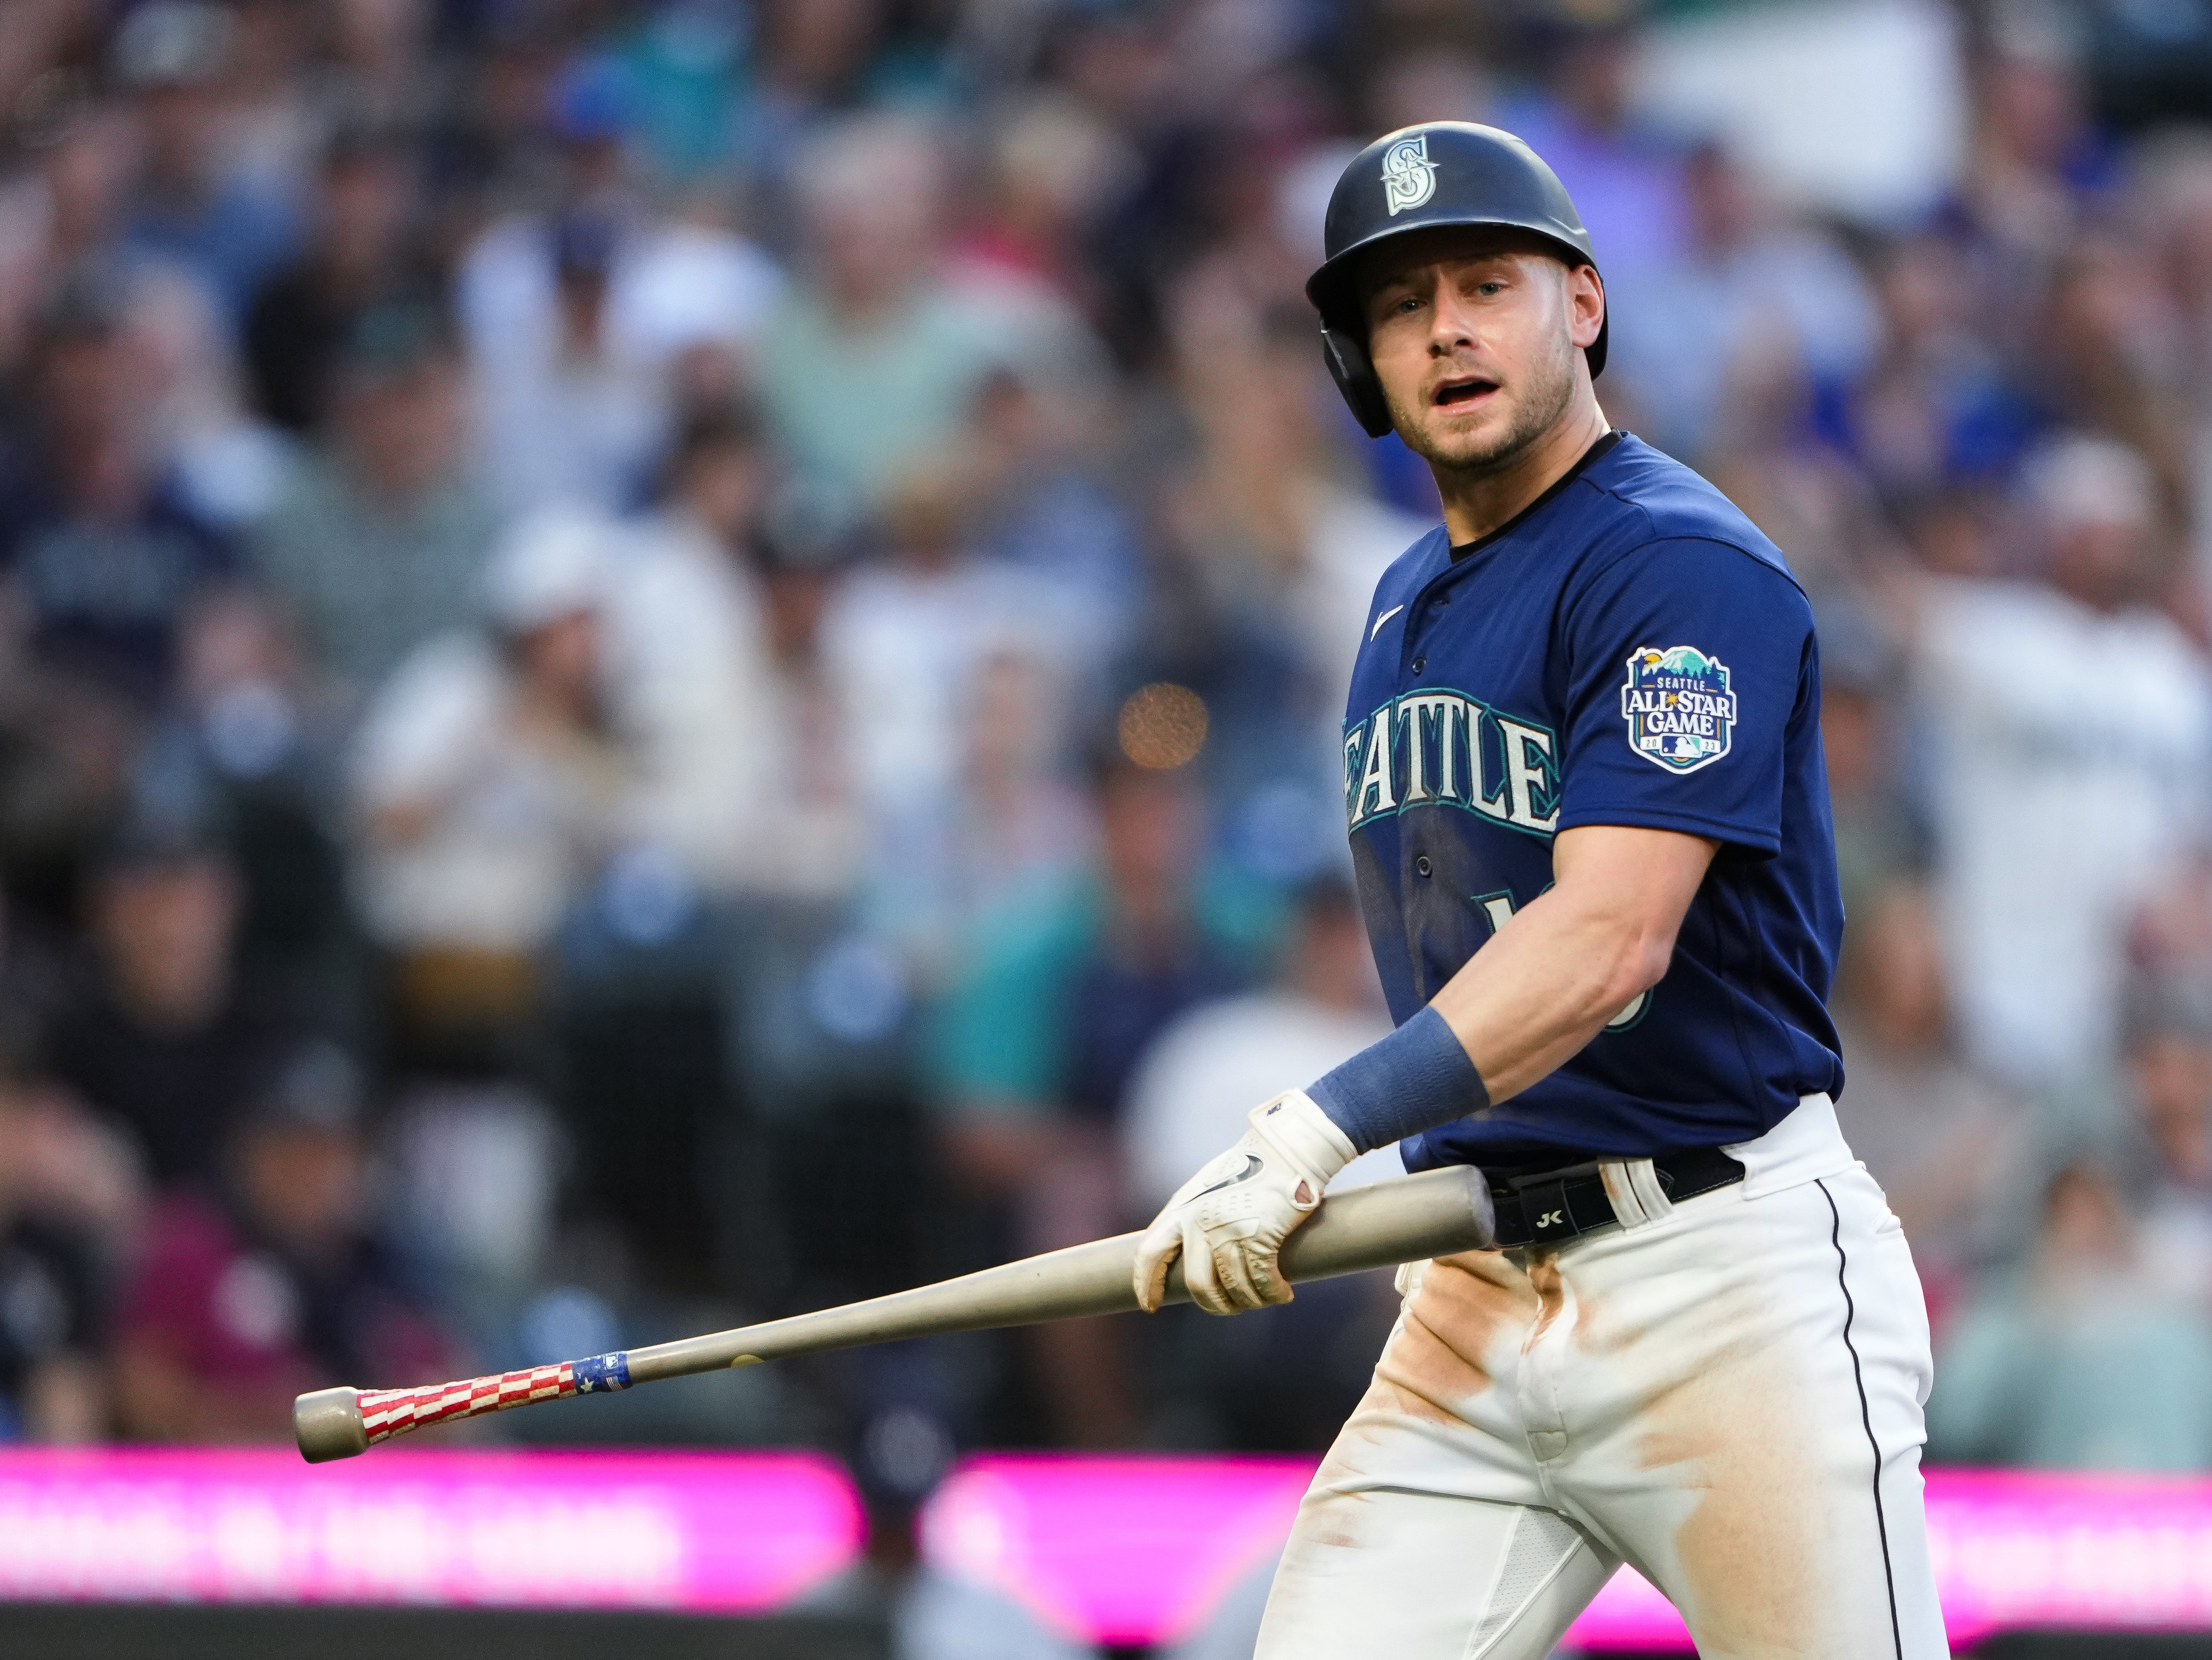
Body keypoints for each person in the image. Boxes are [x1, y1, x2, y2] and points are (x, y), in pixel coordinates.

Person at [1129, 124, 1945, 1656]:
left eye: (1486, 284)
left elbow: (1609, 943)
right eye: (1399, 305)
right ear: (1359, 364)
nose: (1444, 327)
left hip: (1721, 1276)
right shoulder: (1398, 600)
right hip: (1476, 1284)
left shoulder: (1679, 565)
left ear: (1579, 305)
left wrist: (1312, 1129)